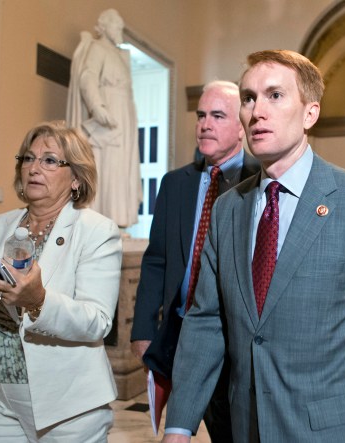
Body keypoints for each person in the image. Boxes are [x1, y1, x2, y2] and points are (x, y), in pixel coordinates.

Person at [162, 50, 345, 442]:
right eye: (249, 98)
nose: (257, 111)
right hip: (244, 426)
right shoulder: (227, 210)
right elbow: (206, 322)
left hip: (328, 431)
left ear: (310, 113)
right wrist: (179, 425)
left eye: (275, 95)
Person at [0, 121, 122, 441]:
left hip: (67, 406)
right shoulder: (1, 224)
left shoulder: (97, 231)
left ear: (76, 179)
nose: (34, 168)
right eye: (28, 158)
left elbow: (97, 321)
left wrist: (38, 300)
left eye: (50, 160)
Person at [131, 81, 259, 441]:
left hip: (233, 340)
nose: (205, 124)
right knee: (181, 425)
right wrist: (143, 328)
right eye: (201, 115)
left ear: (241, 126)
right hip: (179, 333)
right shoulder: (175, 183)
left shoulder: (260, 182)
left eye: (218, 116)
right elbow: (156, 259)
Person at [67, 8, 142, 227]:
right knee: (108, 165)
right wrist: (97, 105)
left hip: (124, 114)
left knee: (123, 167)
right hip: (109, 113)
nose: (120, 30)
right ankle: (103, 221)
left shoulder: (120, 55)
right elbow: (87, 76)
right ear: (106, 26)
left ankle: (118, 221)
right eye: (117, 26)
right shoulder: (98, 48)